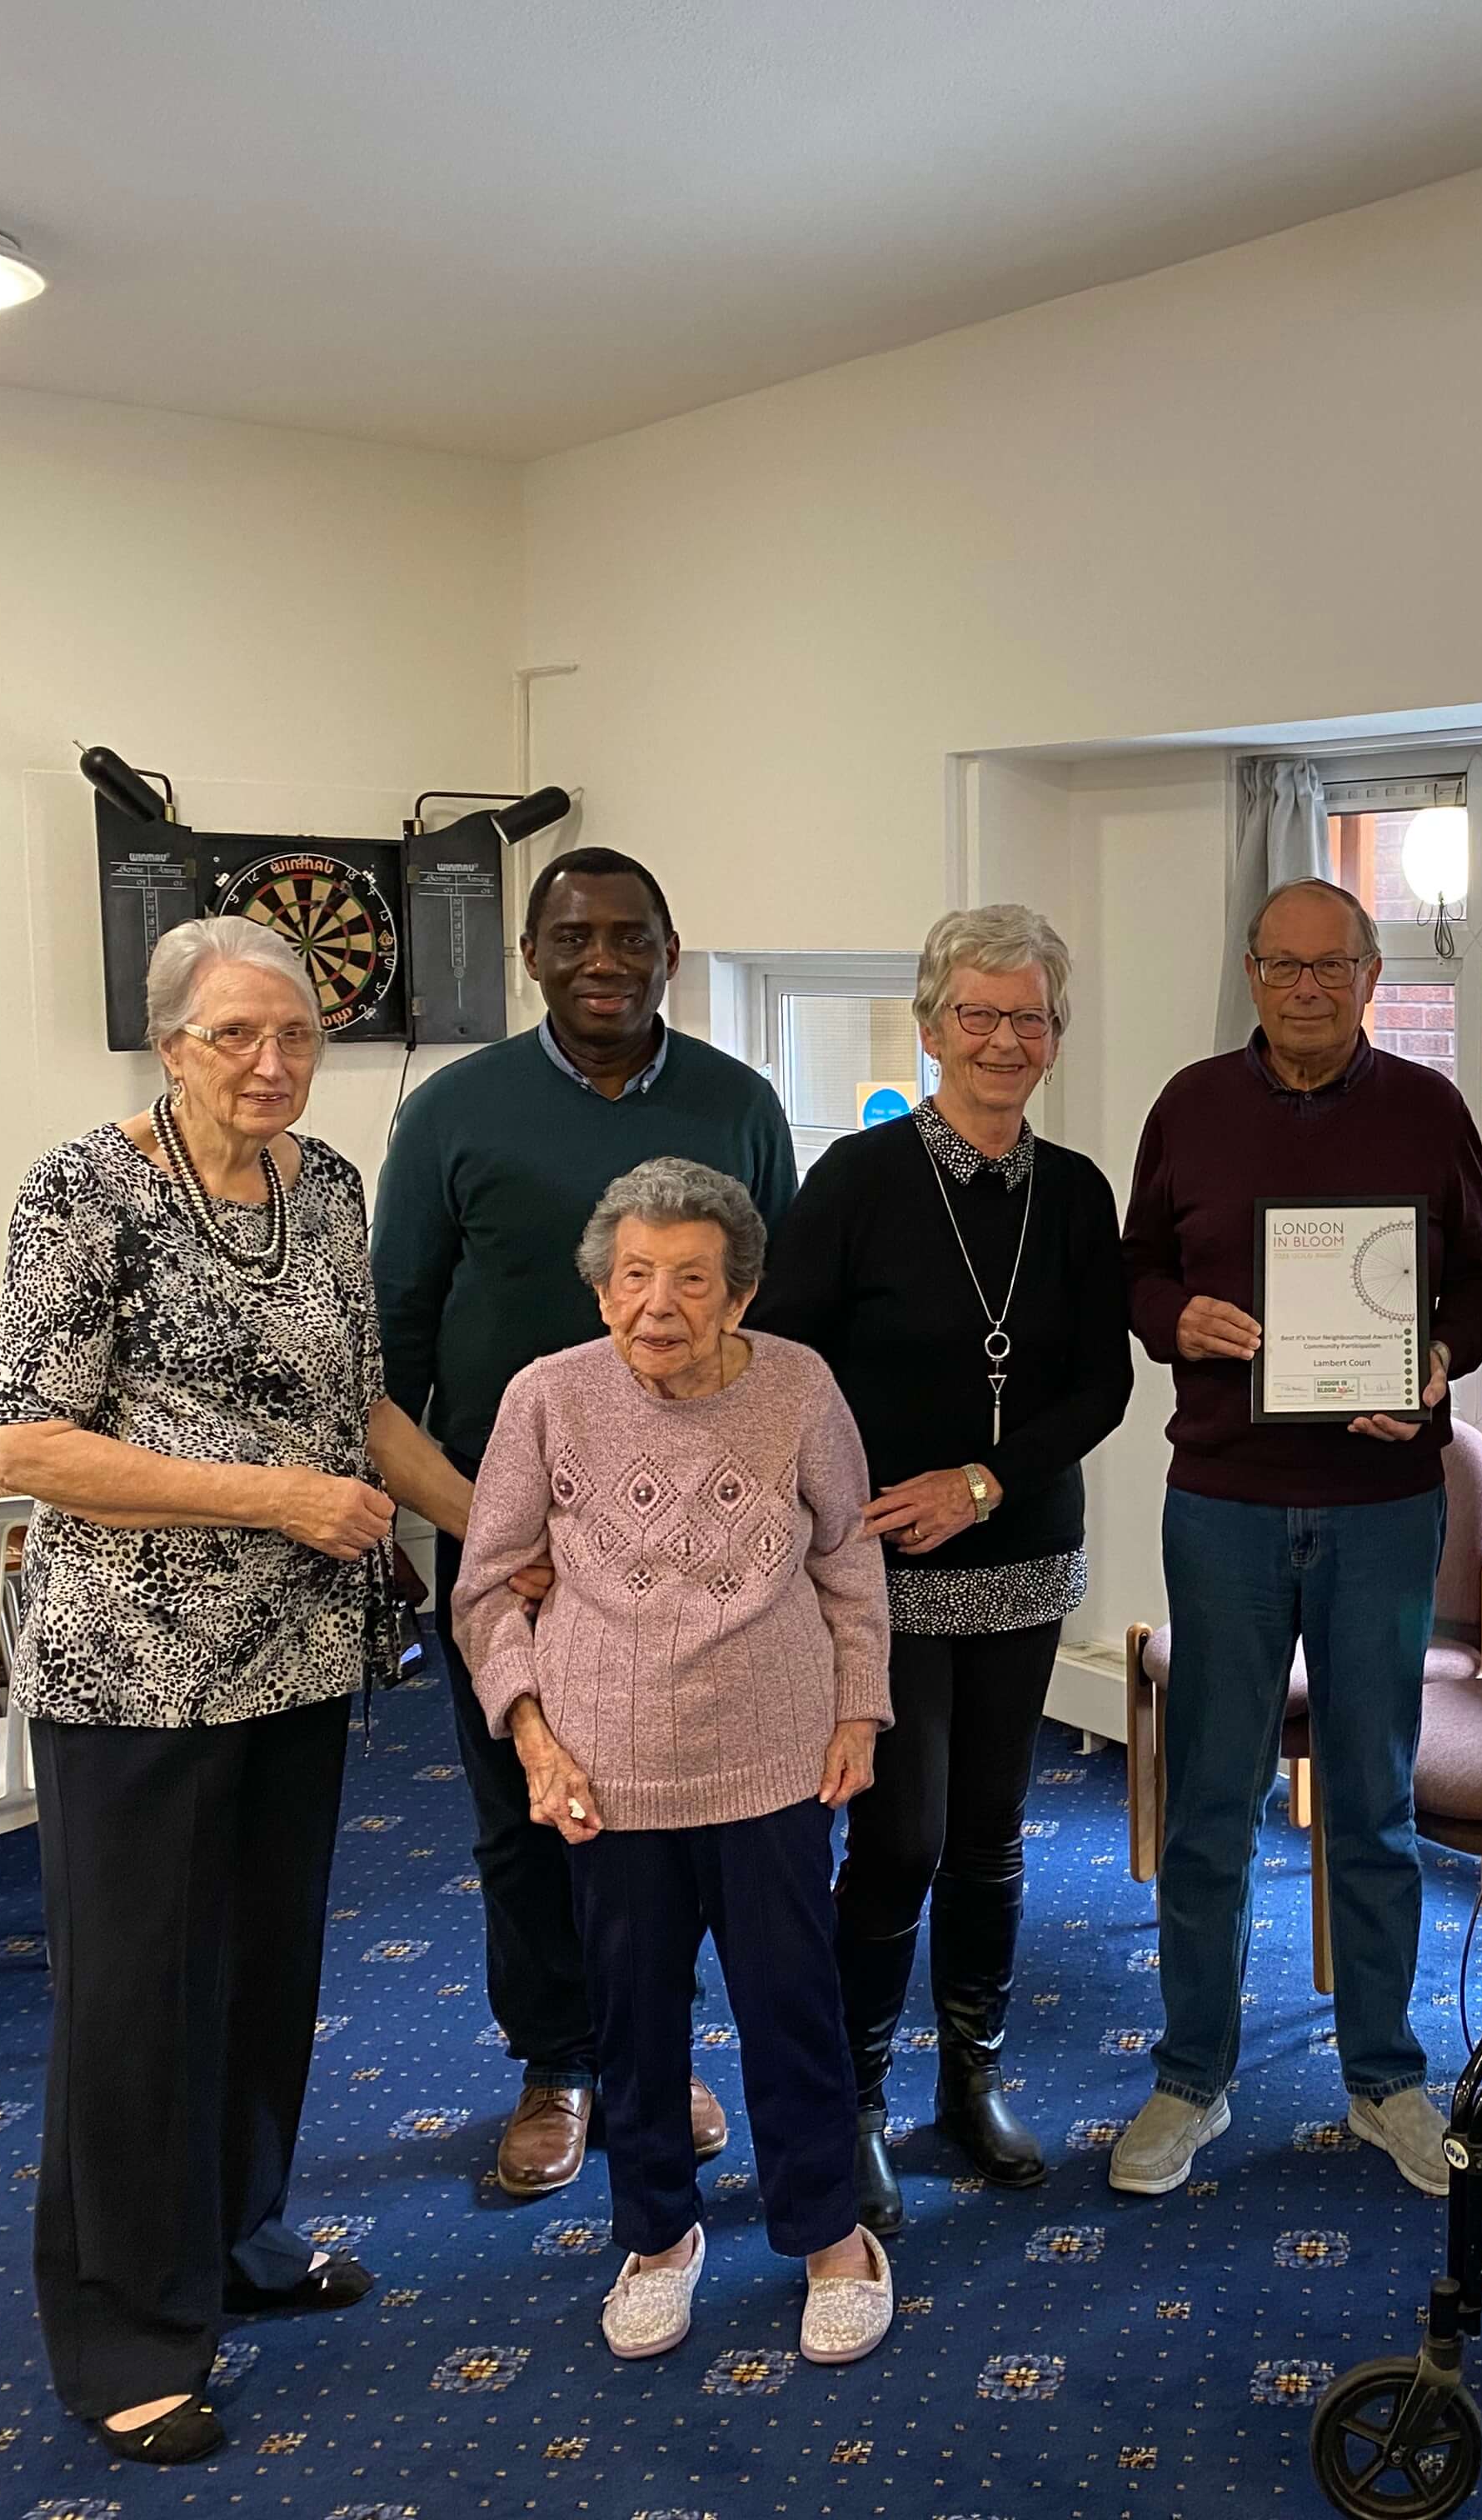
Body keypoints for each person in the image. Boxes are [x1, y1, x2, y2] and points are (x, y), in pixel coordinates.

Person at [0, 918, 481, 2464]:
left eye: (297, 1035)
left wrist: (501, 1525)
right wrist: (273, 1496)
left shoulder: (327, 1186)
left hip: (299, 1655)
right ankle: (128, 2321)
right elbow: (27, 1444)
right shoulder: (86, 1188)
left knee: (261, 1976)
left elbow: (362, 1407)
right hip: (133, 1672)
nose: (272, 1064)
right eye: (232, 1036)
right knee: (137, 2002)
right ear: (168, 1040)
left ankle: (239, 2235)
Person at [374, 845, 797, 2199]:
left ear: (672, 949)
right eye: (573, 938)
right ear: (532, 957)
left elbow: (777, 1329)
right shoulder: (452, 1111)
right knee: (522, 1808)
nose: (602, 960)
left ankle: (650, 2051)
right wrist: (482, 1528)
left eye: (629, 936)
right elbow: (388, 1345)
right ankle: (555, 2060)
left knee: (666, 1813)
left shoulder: (739, 1105)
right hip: (507, 1541)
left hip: (694, 1539)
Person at [452, 1158, 896, 2367]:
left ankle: (829, 2236)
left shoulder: (799, 1387)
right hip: (605, 1768)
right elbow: (485, 1591)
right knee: (632, 2018)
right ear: (600, 1292)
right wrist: (534, 1736)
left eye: (692, 1280)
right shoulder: (546, 1399)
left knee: (790, 2006)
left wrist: (859, 1709)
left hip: (773, 1757)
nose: (660, 1304)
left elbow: (850, 1565)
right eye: (634, 1276)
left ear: (740, 1294)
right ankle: (658, 2235)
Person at [1110, 877, 1482, 2199]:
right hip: (1223, 1499)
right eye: (1283, 964)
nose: (1306, 987)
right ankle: (1191, 2079)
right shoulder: (1190, 1106)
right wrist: (1180, 1323)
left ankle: (1388, 2077)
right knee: (1212, 1802)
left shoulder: (1429, 1111)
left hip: (1384, 1511)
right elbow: (1136, 1271)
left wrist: (1439, 1364)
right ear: (1251, 972)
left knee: (1377, 1805)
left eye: (1332, 966)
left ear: (1372, 976)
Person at [758, 904, 1132, 2239]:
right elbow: (785, 1369)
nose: (1002, 1040)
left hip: (1023, 1553)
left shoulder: (1077, 1192)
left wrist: (981, 1480)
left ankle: (968, 2079)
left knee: (988, 1834)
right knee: (900, 1836)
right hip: (878, 1568)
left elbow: (1103, 1385)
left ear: (1054, 1038)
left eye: (1028, 1017)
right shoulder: (854, 1182)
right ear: (929, 1029)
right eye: (976, 1014)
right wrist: (848, 1508)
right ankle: (854, 2100)